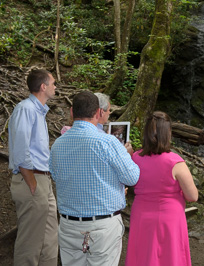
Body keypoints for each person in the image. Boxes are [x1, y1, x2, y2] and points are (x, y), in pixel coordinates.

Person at [49, 91, 140, 266]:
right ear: (98, 112)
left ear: (71, 112)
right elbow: (132, 177)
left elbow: (55, 175)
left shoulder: (57, 144)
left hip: (69, 225)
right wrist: (127, 155)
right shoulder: (108, 142)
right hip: (103, 227)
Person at [125, 111, 198, 265]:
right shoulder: (176, 162)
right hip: (168, 218)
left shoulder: (135, 158)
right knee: (169, 257)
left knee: (143, 255)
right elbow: (193, 196)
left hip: (141, 216)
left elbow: (130, 182)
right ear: (168, 133)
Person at [8, 69, 58, 265]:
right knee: (30, 243)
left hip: (43, 179)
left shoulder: (39, 112)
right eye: (53, 83)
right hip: (32, 179)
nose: (56, 87)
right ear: (43, 87)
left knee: (49, 241)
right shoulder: (26, 109)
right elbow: (21, 150)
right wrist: (32, 182)